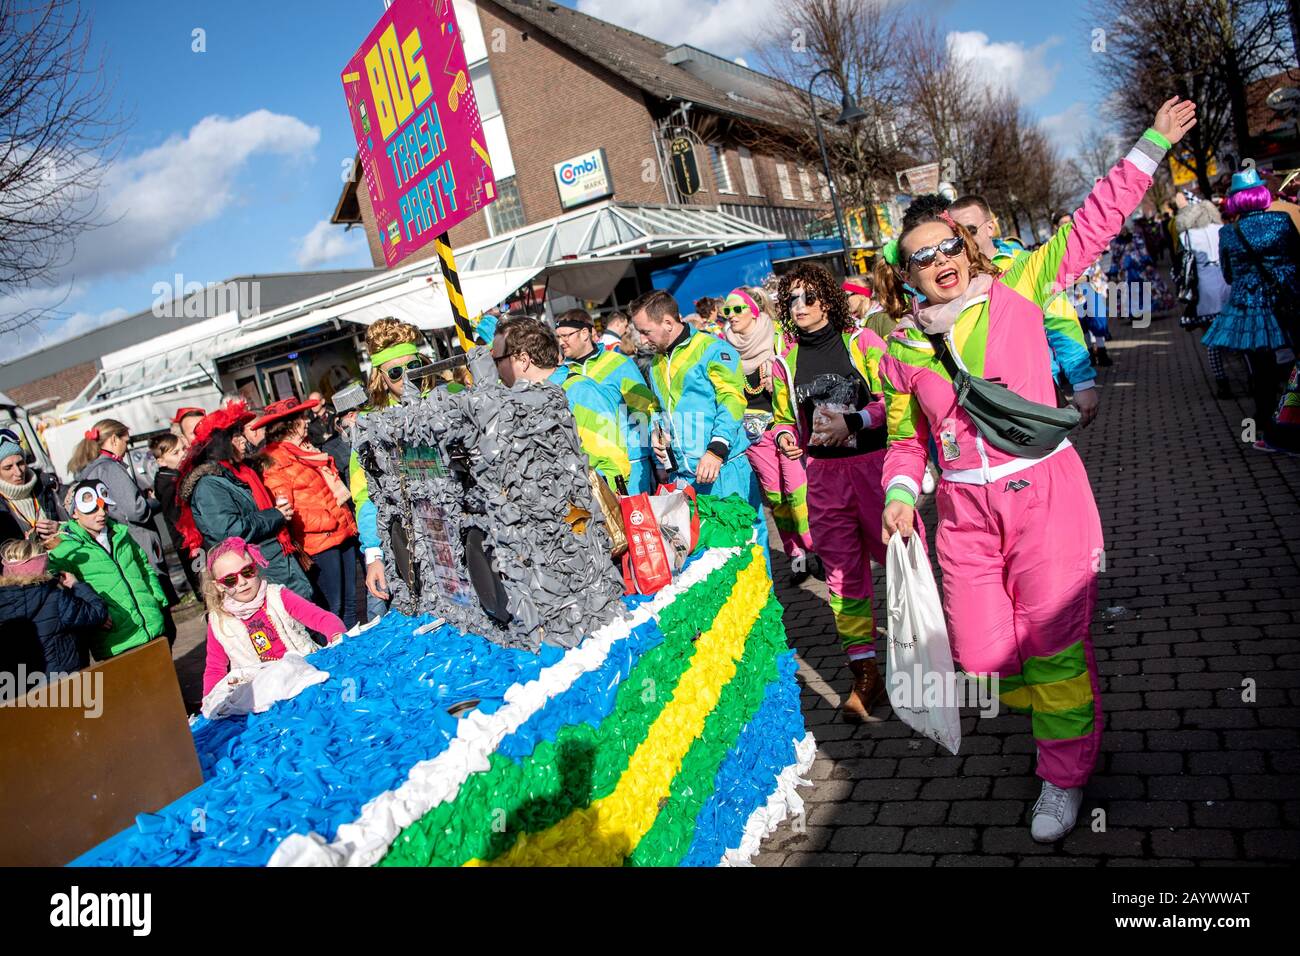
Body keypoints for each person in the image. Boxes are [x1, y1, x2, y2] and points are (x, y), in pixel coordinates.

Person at [874, 97, 1198, 841]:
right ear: (905, 276)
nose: (939, 263)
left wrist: (1151, 144)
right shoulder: (900, 349)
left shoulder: (1020, 290)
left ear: (968, 247)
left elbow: (1094, 220)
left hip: (1044, 495)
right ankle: (1061, 712)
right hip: (961, 515)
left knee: (1052, 648)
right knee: (985, 654)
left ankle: (1063, 776)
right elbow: (903, 438)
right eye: (920, 257)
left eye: (948, 246)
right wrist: (898, 491)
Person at [769, 264, 923, 720]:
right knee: (841, 578)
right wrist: (783, 436)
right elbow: (781, 417)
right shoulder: (784, 362)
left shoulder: (863, 343)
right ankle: (865, 673)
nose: (800, 307)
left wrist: (854, 421)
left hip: (875, 470)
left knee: (903, 562)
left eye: (810, 297)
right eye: (792, 299)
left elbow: (892, 402)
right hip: (823, 477)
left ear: (829, 300)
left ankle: (924, 660)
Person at [949, 196, 1103, 421]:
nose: (964, 241)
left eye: (970, 230)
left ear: (990, 227)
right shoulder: (951, 281)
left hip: (1036, 394)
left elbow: (1061, 322)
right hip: (978, 404)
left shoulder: (1025, 264)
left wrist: (1082, 383)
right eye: (956, 235)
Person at [630, 290, 762, 513]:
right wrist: (657, 434)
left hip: (723, 469)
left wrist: (716, 451)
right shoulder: (656, 363)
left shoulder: (712, 349)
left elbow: (732, 400)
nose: (642, 340)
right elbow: (657, 407)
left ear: (668, 323)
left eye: (646, 332)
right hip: (684, 477)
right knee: (700, 548)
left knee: (744, 545)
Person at [720, 286, 818, 580]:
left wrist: (778, 375)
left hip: (783, 424)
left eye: (737, 309)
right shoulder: (724, 349)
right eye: (727, 311)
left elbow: (800, 372)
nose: (732, 316)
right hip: (752, 433)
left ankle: (817, 547)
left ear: (753, 310)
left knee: (797, 490)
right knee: (776, 497)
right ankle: (796, 554)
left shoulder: (778, 337)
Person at [1203, 161, 1300, 453]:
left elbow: (1229, 275)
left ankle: (1269, 432)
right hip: (1289, 302)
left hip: (1250, 311)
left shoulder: (1228, 233)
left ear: (1234, 199)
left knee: (1262, 374)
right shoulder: (1282, 221)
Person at [177, 401, 312, 600]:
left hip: (276, 562)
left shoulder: (241, 473)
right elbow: (228, 530)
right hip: (258, 570)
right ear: (220, 443)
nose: (243, 440)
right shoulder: (209, 486)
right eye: (235, 435)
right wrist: (275, 515)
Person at [492, 316, 631, 491]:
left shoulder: (577, 392)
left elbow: (614, 467)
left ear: (523, 360)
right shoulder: (526, 399)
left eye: (497, 361)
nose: (495, 370)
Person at [68, 418, 177, 641]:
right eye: (125, 440)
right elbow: (134, 510)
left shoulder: (93, 470)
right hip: (138, 545)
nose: (126, 446)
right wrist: (152, 502)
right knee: (163, 624)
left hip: (123, 546)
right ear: (114, 439)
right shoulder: (109, 468)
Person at [256, 398, 359, 629]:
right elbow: (285, 509)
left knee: (351, 602)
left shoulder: (305, 449)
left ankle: (358, 651)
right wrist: (327, 519)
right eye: (301, 417)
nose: (306, 421)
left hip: (342, 530)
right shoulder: (275, 461)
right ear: (288, 425)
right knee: (334, 607)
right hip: (320, 541)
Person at [200, 536, 344, 697]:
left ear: (256, 568)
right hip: (260, 694)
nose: (242, 582)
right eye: (230, 579)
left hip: (305, 674)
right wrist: (210, 701)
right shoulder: (219, 621)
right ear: (219, 586)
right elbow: (215, 667)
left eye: (247, 572)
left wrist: (338, 638)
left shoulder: (277, 596)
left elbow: (322, 619)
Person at [351, 318, 427, 617]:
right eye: (396, 372)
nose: (408, 378)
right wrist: (373, 555)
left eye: (414, 366)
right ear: (380, 378)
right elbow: (364, 497)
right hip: (413, 542)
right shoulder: (370, 427)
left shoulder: (452, 397)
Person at [48, 478, 169, 660]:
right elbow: (62, 592)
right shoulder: (66, 550)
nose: (101, 514)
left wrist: (155, 599)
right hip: (117, 641)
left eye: (104, 507)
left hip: (152, 626)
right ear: (74, 513)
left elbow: (143, 565)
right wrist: (93, 616)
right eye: (93, 509)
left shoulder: (121, 533)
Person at [556, 308, 658, 494]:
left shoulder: (619, 363)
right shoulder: (561, 374)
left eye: (566, 336)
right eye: (558, 337)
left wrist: (656, 462)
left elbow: (645, 412)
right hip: (589, 471)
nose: (561, 342)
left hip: (631, 466)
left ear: (585, 333)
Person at [0, 537, 107, 686]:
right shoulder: (55, 598)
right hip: (64, 684)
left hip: (19, 690)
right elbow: (97, 614)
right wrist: (77, 586)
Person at [1174, 192, 1232, 398]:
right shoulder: (1222, 229)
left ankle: (1221, 380)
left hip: (1205, 294)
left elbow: (1180, 271)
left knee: (1211, 339)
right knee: (1238, 332)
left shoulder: (1186, 236)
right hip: (1229, 287)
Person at [149, 433, 201, 597]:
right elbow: (180, 518)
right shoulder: (168, 484)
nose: (183, 454)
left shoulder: (175, 475)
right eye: (175, 453)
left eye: (183, 449)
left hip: (194, 542)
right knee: (207, 589)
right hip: (190, 545)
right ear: (161, 461)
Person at [0, 429, 64, 548]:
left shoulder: (48, 486)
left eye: (20, 463)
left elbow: (80, 524)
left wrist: (61, 528)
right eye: (8, 467)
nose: (18, 472)